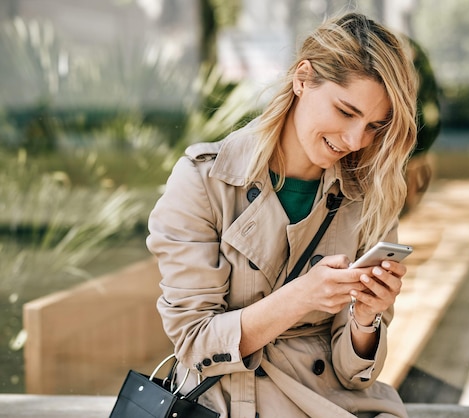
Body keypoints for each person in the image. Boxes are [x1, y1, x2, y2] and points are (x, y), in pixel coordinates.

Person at [146, 11, 418, 418]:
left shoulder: (369, 196)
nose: (356, 140)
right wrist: (302, 297)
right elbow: (194, 342)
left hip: (329, 403)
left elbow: (354, 375)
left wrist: (364, 319)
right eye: (346, 112)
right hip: (226, 404)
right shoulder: (205, 181)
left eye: (375, 126)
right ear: (303, 79)